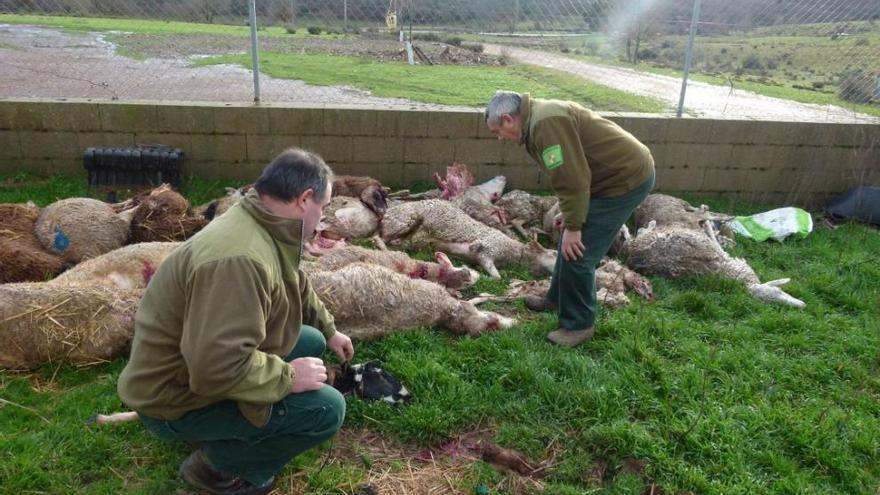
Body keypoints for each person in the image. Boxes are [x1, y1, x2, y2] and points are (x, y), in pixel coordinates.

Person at [118, 148, 354, 495]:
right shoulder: (240, 260)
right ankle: (217, 468)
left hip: (190, 367)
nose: (324, 218)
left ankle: (222, 427)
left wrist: (330, 329)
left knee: (311, 341)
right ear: (305, 200)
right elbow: (215, 367)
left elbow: (295, 281)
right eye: (324, 207)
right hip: (173, 398)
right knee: (326, 408)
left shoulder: (261, 221)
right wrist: (289, 378)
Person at [485, 91, 655, 347]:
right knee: (568, 242)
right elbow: (572, 171)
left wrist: (575, 226)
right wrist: (572, 212)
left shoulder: (546, 124)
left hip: (624, 180)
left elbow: (573, 178)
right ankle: (557, 299)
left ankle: (579, 325)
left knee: (578, 252)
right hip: (603, 179)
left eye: (497, 131)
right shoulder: (537, 121)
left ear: (509, 119)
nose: (499, 138)